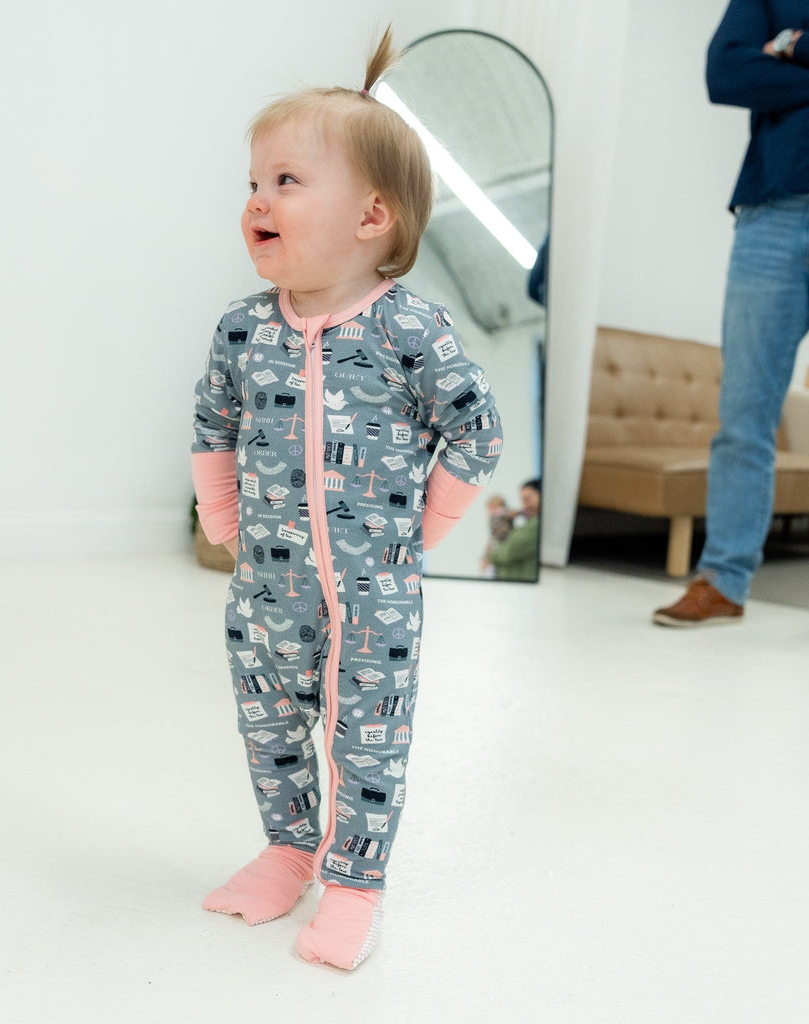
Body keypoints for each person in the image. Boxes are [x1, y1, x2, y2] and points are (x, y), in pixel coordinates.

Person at [190, 26, 501, 970]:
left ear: (371, 217)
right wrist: (227, 527)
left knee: (368, 737)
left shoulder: (411, 327)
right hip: (267, 590)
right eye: (254, 182)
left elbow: (476, 428)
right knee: (270, 719)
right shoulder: (244, 331)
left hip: (377, 597)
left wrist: (426, 530)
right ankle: (288, 849)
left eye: (287, 182)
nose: (258, 200)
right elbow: (212, 426)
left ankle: (355, 883)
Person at [654, 0, 809, 627]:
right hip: (771, 214)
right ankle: (722, 579)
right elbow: (728, 74)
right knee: (745, 415)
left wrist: (793, 48)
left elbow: (758, 74)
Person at [489, 478, 541, 581]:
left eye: (528, 499)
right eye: (523, 500)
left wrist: (491, 554)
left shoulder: (535, 526)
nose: (525, 505)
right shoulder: (526, 526)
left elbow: (505, 553)